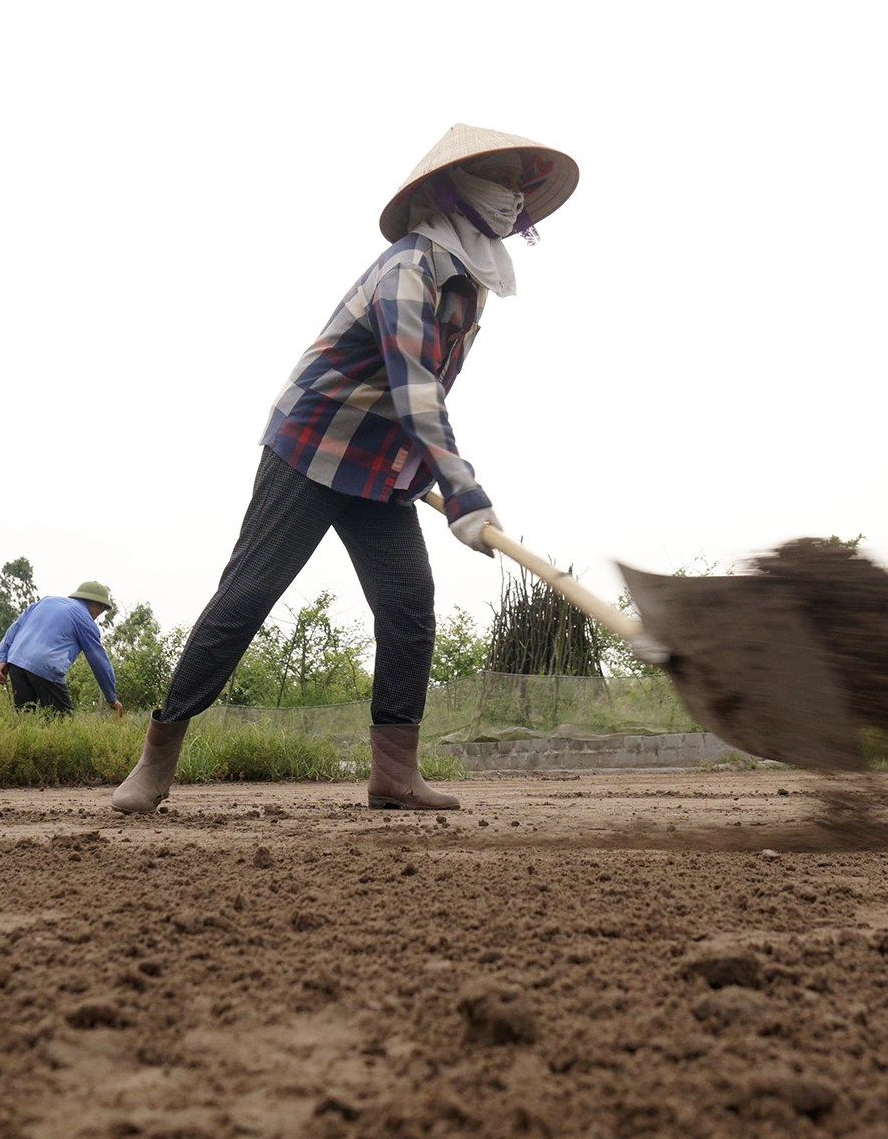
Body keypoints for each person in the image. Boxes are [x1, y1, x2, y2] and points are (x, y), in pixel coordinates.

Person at [112, 124, 579, 815]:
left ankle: (395, 770)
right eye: (502, 182)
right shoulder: (408, 270)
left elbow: (424, 398)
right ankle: (157, 757)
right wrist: (464, 488)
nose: (515, 197)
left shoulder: (467, 288)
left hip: (380, 465)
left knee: (408, 606)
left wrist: (429, 475)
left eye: (521, 185)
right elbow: (415, 387)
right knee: (246, 598)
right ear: (456, 191)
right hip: (311, 445)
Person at [0, 581, 124, 716]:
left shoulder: (45, 602)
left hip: (16, 663)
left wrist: (2, 658)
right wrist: (111, 697)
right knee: (62, 722)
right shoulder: (85, 620)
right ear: (93, 602)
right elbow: (99, 661)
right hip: (45, 666)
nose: (100, 613)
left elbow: (13, 630)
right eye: (102, 608)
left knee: (26, 719)